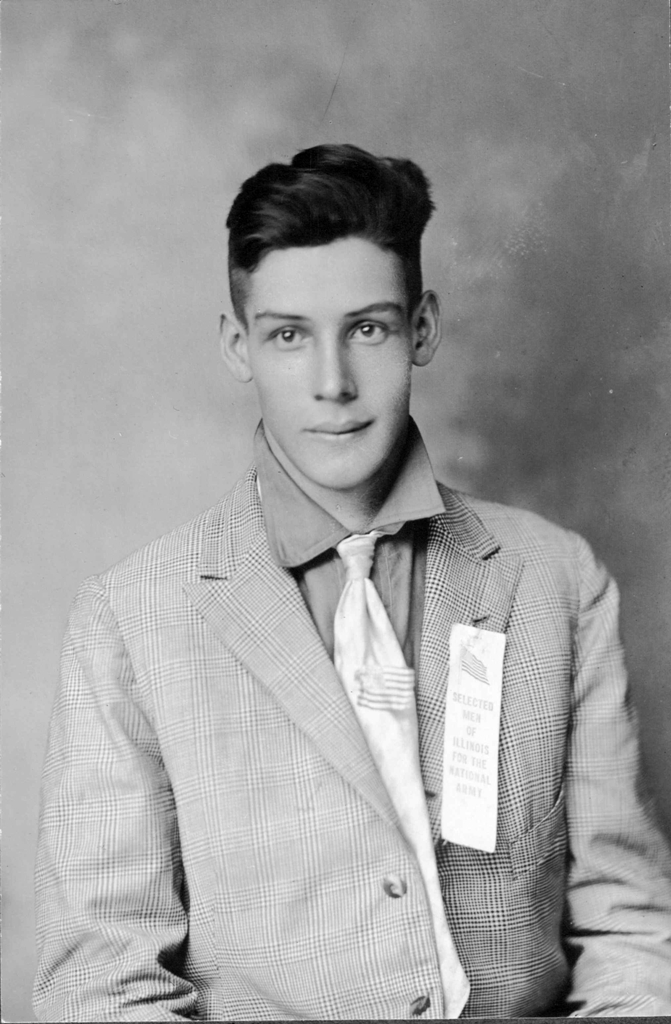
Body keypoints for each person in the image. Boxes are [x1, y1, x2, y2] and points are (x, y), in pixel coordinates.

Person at [34, 144, 671, 1021]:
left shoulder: (554, 580)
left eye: (367, 329)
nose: (332, 384)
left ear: (422, 329)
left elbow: (626, 926)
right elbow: (103, 983)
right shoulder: (131, 619)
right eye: (288, 336)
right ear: (238, 347)